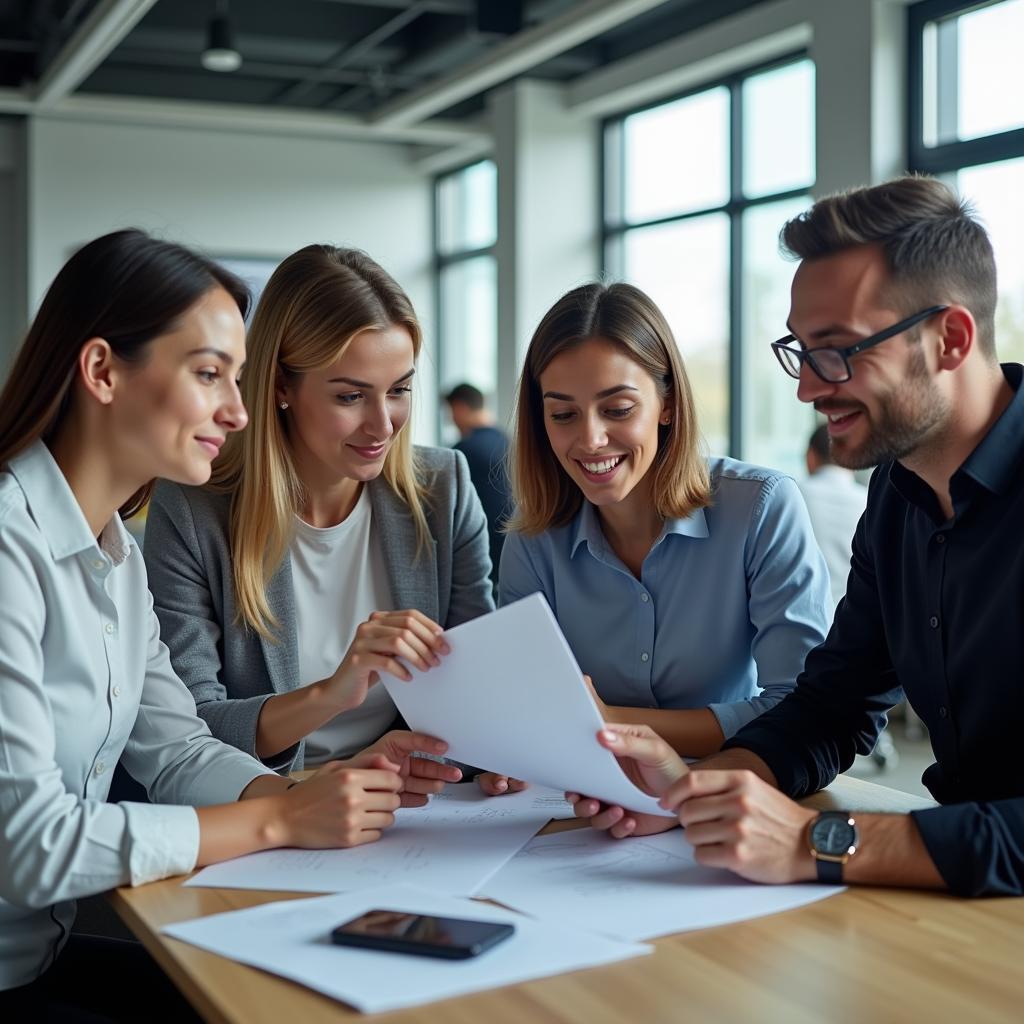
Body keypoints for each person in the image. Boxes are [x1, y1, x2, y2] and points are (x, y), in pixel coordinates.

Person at [0, 230, 453, 1014]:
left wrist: (314, 796)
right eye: (210, 374)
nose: (240, 412)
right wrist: (277, 818)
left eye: (238, 379)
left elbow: (174, 749)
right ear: (103, 370)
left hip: (46, 954)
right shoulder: (10, 544)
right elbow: (31, 849)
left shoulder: (114, 553)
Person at [570, 176, 1024, 898]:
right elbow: (832, 706)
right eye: (802, 351)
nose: (809, 390)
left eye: (838, 351)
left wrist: (820, 841)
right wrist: (692, 792)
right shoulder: (899, 493)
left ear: (951, 339)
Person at [144, 245, 494, 775]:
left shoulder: (442, 489)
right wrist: (332, 693)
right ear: (281, 386)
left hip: (411, 806)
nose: (383, 425)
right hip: (268, 802)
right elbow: (187, 728)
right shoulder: (195, 508)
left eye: (398, 390)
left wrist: (496, 749)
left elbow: (478, 683)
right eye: (351, 397)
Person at [479, 281, 831, 797]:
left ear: (666, 404)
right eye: (563, 414)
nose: (590, 439)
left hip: (736, 789)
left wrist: (608, 720)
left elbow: (800, 707)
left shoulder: (760, 508)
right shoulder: (535, 539)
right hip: (584, 801)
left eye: (618, 409)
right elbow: (525, 706)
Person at [444, 382, 512, 588]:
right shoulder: (506, 440)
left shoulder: (463, 451)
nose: (451, 420)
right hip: (514, 539)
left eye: (450, 413)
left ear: (460, 408)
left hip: (485, 549)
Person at [799, 422, 867, 608]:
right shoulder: (870, 502)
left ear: (810, 456)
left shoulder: (795, 497)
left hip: (807, 616)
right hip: (856, 617)